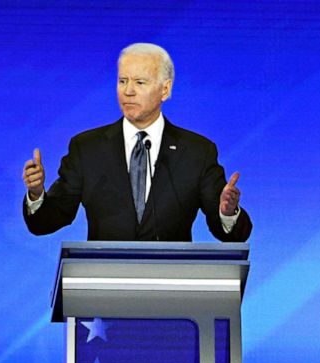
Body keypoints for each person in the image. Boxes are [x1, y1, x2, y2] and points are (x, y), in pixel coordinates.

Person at [21, 43, 251, 242]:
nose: (128, 91)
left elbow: (230, 232)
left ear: (165, 89)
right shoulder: (87, 148)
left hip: (171, 283)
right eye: (122, 81)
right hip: (104, 283)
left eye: (140, 82)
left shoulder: (197, 151)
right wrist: (36, 194)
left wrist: (227, 212)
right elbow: (46, 222)